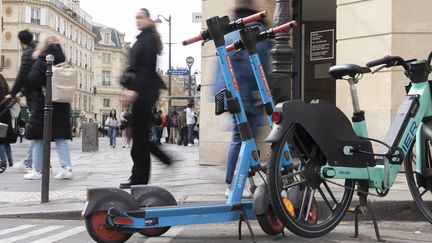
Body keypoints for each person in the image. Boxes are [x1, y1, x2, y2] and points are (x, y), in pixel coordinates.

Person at [213, 0, 270, 197]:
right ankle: (233, 183)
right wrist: (258, 94)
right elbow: (258, 67)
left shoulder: (230, 32)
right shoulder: (255, 32)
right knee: (244, 139)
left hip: (231, 93)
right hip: (247, 94)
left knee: (244, 139)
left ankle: (239, 181)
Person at [119, 8, 171, 189]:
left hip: (145, 91)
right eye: (136, 18)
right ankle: (140, 175)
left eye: (140, 17)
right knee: (139, 136)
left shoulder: (148, 40)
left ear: (148, 19)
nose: (137, 21)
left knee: (139, 137)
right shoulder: (144, 38)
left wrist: (134, 91)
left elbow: (146, 68)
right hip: (143, 90)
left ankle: (140, 180)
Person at [24, 36, 73, 180]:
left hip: (45, 103)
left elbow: (33, 80)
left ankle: (38, 169)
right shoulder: (64, 60)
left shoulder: (43, 59)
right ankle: (66, 167)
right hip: (62, 103)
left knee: (39, 137)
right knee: (60, 137)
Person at [6, 30, 38, 171]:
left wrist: (12, 93)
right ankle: (33, 161)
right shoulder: (36, 51)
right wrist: (22, 92)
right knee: (38, 134)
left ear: (20, 42)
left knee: (36, 133)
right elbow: (32, 77)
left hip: (36, 99)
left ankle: (30, 162)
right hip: (37, 96)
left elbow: (23, 75)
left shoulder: (27, 53)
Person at [0, 75, 17, 168]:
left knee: (0, 141)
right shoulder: (6, 90)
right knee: (6, 141)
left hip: (0, 116)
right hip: (7, 116)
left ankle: (3, 160)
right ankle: (10, 159)